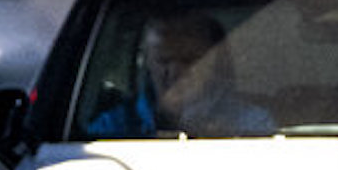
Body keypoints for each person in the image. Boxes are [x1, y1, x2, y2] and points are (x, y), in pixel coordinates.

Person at [85, 12, 273, 137]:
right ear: (146, 62)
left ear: (215, 64)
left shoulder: (250, 123)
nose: (175, 72)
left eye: (190, 60)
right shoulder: (113, 126)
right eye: (163, 60)